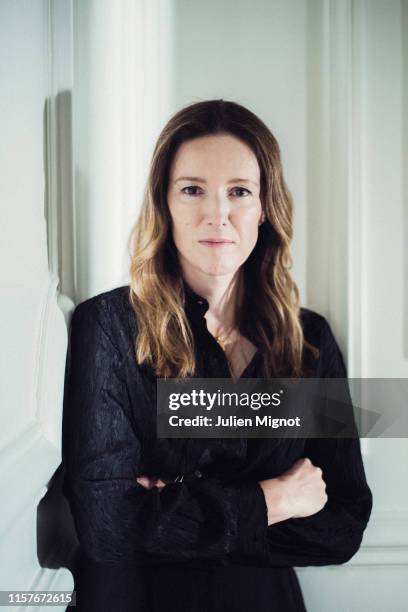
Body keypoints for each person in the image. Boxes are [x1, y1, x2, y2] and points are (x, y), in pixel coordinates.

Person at [61, 99, 373, 611]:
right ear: (163, 201)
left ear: (265, 205)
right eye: (192, 190)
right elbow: (108, 525)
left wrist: (172, 511)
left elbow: (343, 524)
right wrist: (273, 500)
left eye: (239, 192)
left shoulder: (309, 340)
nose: (217, 214)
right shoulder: (111, 327)